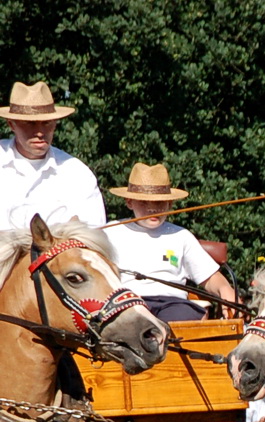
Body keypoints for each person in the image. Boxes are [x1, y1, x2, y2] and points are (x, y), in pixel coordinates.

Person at [103, 163, 237, 321]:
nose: (153, 209)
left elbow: (210, 277)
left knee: (181, 318)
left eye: (159, 203)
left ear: (170, 204)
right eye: (144, 202)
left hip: (173, 304)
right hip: (128, 302)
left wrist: (226, 290)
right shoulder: (110, 232)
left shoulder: (181, 235)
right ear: (129, 202)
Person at [0, 82, 103, 229]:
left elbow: (94, 231)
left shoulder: (77, 174)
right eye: (30, 124)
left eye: (47, 123)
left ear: (55, 124)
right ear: (11, 124)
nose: (40, 132)